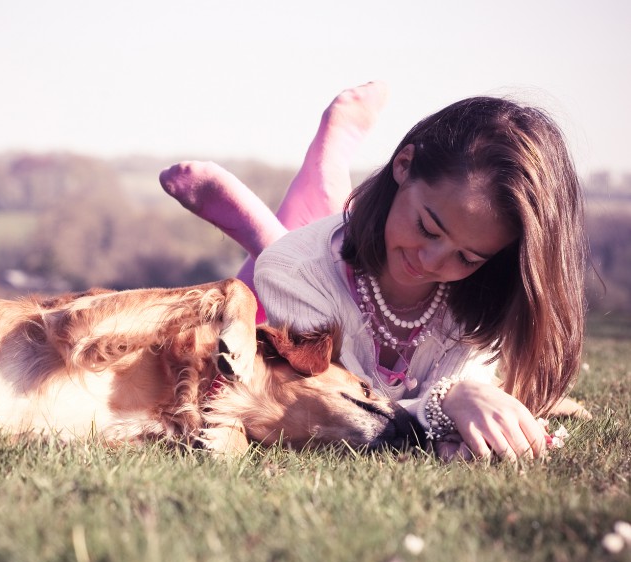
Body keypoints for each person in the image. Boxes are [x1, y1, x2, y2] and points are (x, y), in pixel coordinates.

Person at [160, 82, 588, 462]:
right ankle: (327, 146)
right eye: (428, 228)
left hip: (352, 240)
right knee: (277, 248)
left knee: (320, 215)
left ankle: (332, 155)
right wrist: (450, 403)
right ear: (403, 164)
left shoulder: (483, 289)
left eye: (468, 257)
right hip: (294, 285)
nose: (432, 263)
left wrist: (473, 402)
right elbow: (339, 404)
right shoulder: (294, 271)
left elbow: (461, 389)